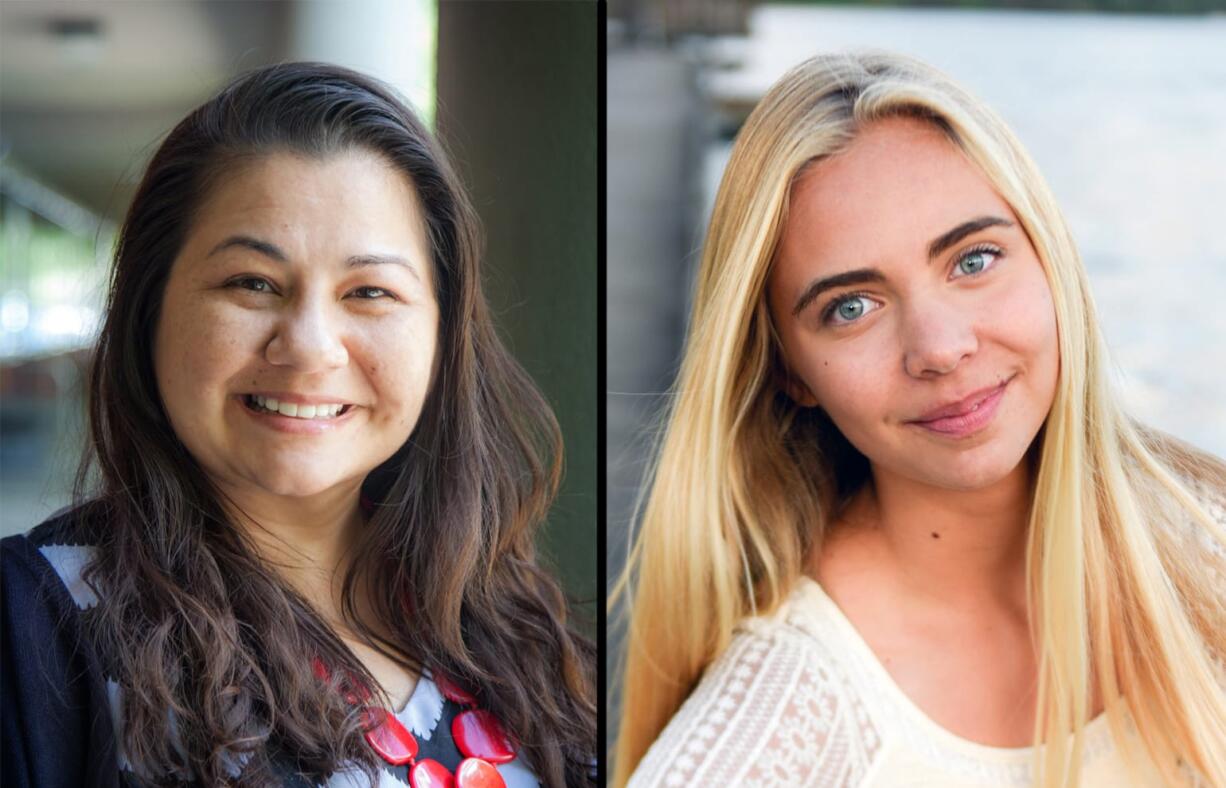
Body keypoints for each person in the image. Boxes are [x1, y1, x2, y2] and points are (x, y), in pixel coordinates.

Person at [611, 51, 1226, 787]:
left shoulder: (1206, 554)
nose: (940, 348)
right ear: (788, 371)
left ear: (1049, 257)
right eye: (851, 307)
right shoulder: (766, 744)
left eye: (974, 259)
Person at [1, 62, 596, 788]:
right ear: (151, 310)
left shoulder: (510, 618)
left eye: (370, 292)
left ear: (443, 335)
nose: (311, 346)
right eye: (252, 283)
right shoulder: (34, 630)